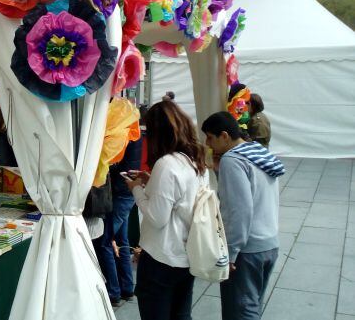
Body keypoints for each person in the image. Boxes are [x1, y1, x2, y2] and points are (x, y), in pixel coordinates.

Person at [125, 101, 206, 320]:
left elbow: (156, 217)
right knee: (180, 314)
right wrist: (151, 182)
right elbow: (180, 200)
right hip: (185, 256)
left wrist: (136, 189)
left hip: (162, 257)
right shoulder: (193, 160)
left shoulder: (166, 164)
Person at [201, 112, 284, 320]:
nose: (207, 144)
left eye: (210, 137)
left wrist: (230, 252)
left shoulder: (233, 160)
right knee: (252, 307)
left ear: (224, 136)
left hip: (247, 250)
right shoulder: (257, 152)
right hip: (269, 244)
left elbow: (239, 211)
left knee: (241, 312)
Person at [97, 138, 142, 307]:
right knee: (122, 241)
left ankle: (113, 291)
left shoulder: (124, 131)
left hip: (120, 193)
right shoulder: (133, 132)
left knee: (105, 243)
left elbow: (117, 164)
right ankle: (127, 288)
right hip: (127, 192)